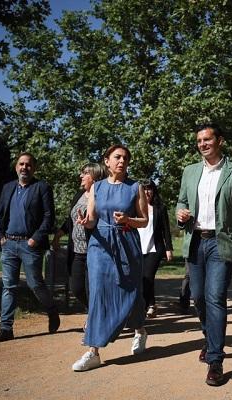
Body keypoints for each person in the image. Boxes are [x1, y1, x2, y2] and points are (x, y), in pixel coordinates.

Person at [176, 123, 232, 386]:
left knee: (214, 298)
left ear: (219, 141)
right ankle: (209, 337)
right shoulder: (190, 172)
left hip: (221, 244)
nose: (202, 144)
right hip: (195, 242)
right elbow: (182, 202)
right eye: (199, 140)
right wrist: (180, 214)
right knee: (198, 297)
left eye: (207, 139)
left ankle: (215, 359)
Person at [72, 144, 149, 372]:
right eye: (117, 157)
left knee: (131, 292)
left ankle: (140, 329)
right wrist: (87, 223)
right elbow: (93, 218)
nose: (122, 161)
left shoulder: (135, 188)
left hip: (126, 243)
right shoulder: (97, 187)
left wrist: (128, 219)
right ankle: (93, 351)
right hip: (100, 245)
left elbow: (144, 220)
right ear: (107, 161)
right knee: (98, 294)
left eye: (125, 158)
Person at [0, 152, 60, 343]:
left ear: (34, 168)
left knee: (35, 284)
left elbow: (48, 216)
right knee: (8, 286)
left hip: (30, 245)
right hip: (9, 244)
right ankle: (5, 328)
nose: (24, 168)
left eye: (28, 165)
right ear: (16, 167)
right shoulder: (8, 188)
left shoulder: (41, 187)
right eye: (21, 164)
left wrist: (36, 238)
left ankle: (52, 310)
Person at [52, 163, 107, 311]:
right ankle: (95, 312)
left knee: (93, 289)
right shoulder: (79, 194)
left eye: (85, 173)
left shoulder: (101, 197)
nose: (81, 176)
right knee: (76, 288)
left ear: (95, 177)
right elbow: (71, 219)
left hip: (94, 250)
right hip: (77, 251)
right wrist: (58, 235)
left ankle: (95, 319)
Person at [137, 179, 174, 318]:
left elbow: (166, 229)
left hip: (155, 248)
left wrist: (168, 248)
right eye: (144, 189)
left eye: (150, 189)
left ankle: (149, 305)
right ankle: (150, 303)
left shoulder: (160, 208)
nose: (147, 192)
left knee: (148, 276)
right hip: (138, 248)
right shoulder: (135, 207)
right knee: (141, 279)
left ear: (153, 191)